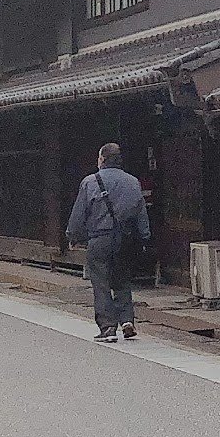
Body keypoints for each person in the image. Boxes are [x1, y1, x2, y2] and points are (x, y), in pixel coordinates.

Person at [64, 143, 151, 343]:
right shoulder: (133, 182)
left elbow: (79, 213)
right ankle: (127, 321)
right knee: (122, 279)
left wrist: (73, 235)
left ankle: (108, 327)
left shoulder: (90, 182)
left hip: (100, 238)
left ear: (102, 159)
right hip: (125, 238)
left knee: (101, 282)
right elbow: (141, 212)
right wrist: (144, 236)